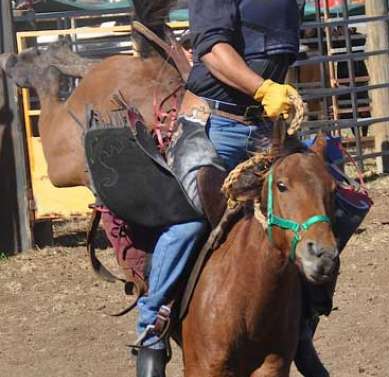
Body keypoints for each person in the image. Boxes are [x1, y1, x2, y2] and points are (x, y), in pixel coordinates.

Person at [134, 1, 328, 377]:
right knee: (190, 220)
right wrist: (265, 89)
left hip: (264, 129)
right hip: (211, 124)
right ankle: (152, 328)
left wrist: (274, 99)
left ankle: (301, 324)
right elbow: (213, 51)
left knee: (323, 204)